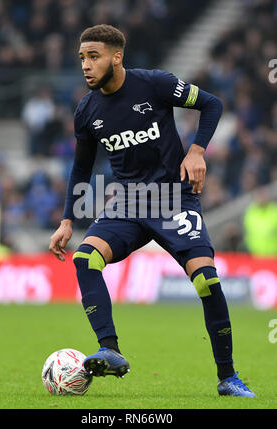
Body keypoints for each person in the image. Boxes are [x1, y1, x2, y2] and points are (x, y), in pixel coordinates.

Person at [49, 24, 256, 398]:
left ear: (117, 57)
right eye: (82, 58)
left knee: (206, 281)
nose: (85, 65)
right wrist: (66, 220)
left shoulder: (154, 84)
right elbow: (81, 168)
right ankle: (109, 349)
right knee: (85, 258)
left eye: (93, 57)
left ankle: (228, 377)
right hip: (128, 202)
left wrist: (196, 151)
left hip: (174, 200)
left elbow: (212, 104)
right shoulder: (87, 110)